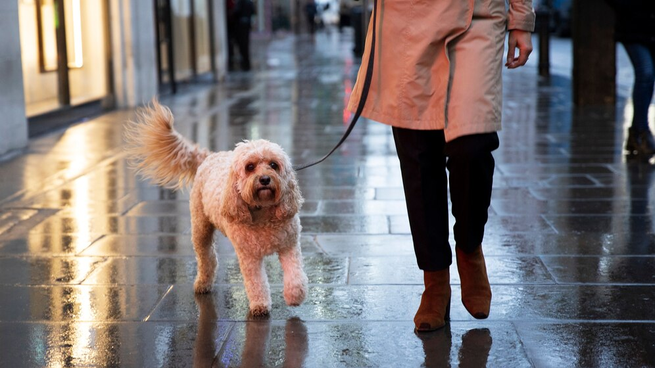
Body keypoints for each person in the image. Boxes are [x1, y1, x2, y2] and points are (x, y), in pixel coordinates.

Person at [347, 0, 534, 332]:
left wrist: (520, 17)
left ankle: (469, 245)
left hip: (476, 16)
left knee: (473, 144)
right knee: (419, 154)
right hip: (405, 20)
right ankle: (434, 278)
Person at [607, 0, 655, 157]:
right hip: (633, 27)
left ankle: (637, 132)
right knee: (645, 72)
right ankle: (641, 130)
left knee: (648, 77)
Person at [231, 0, 255, 71]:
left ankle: (245, 64)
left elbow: (236, 12)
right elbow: (253, 12)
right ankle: (246, 64)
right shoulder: (249, 3)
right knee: (245, 46)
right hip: (246, 25)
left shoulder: (240, 3)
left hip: (241, 26)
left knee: (242, 46)